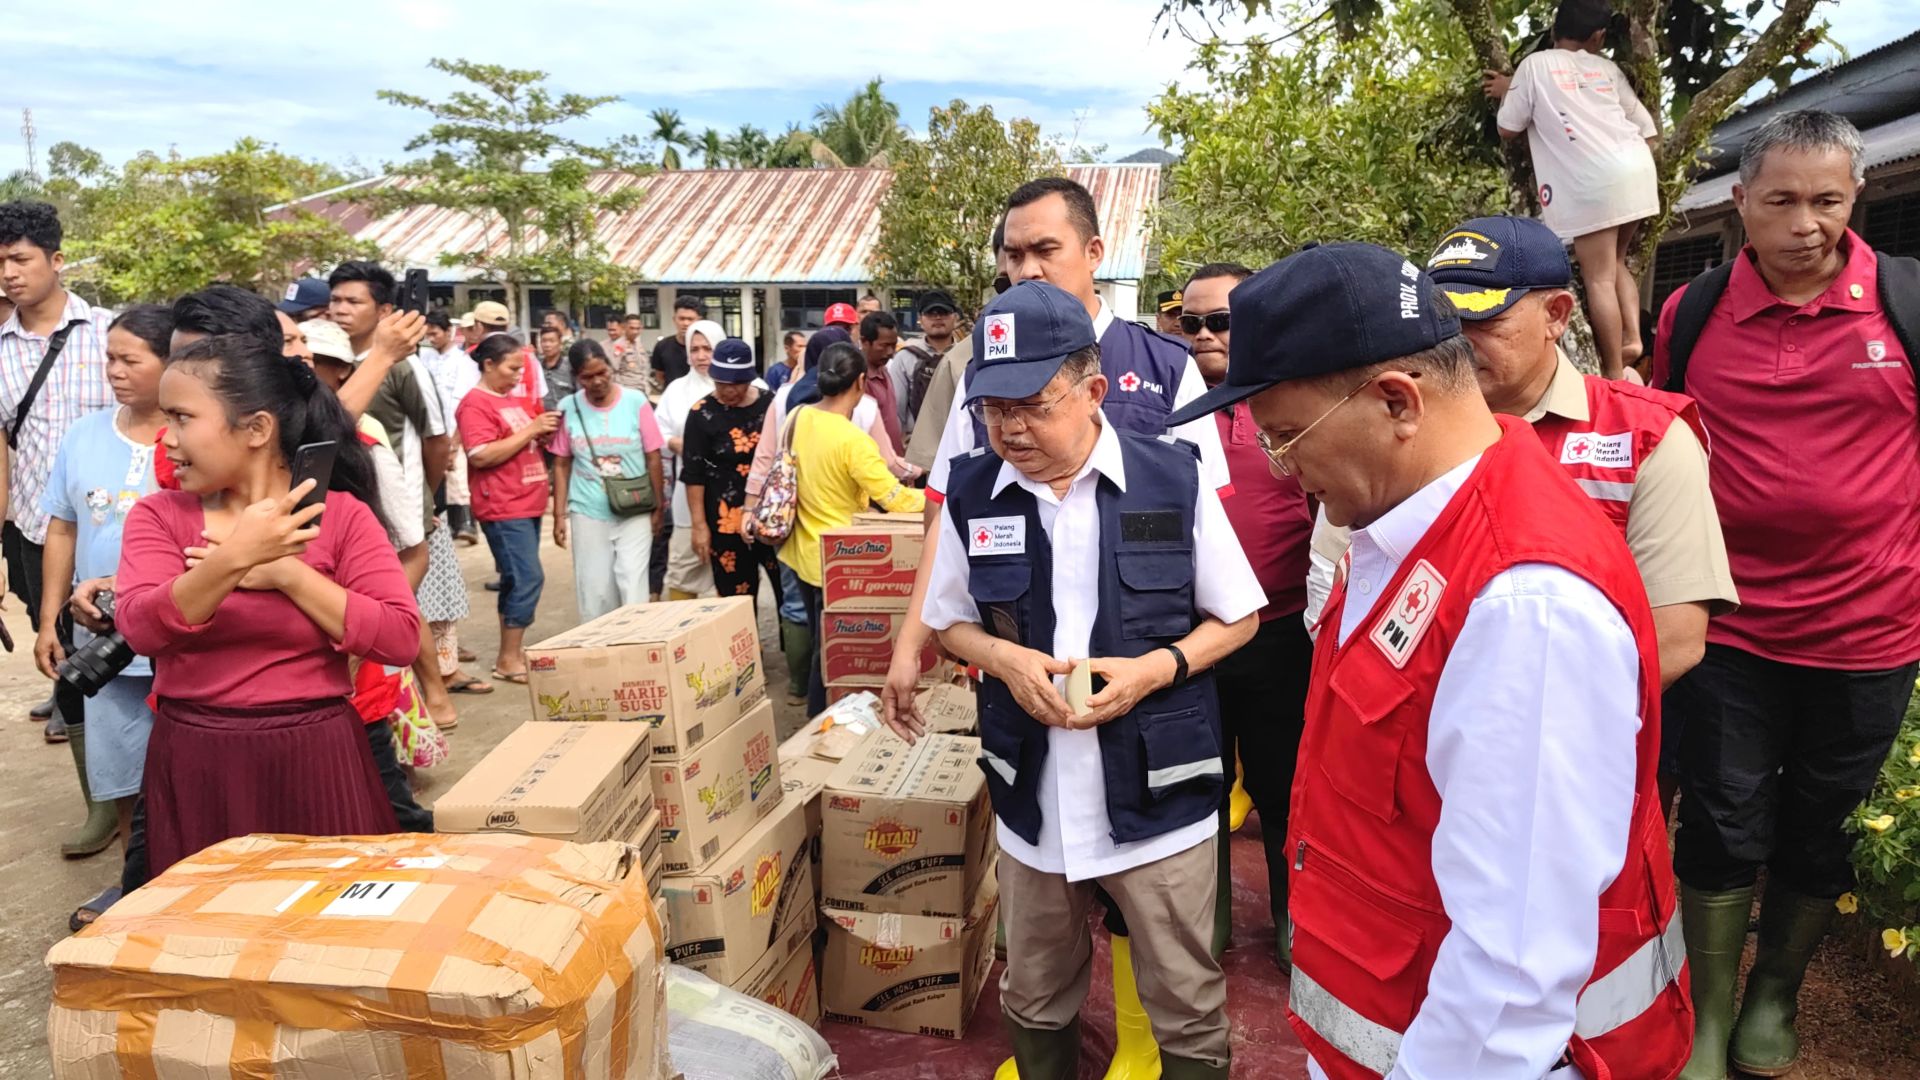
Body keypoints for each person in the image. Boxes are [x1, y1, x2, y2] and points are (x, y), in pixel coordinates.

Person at [1170, 242, 1690, 1079]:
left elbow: (1509, 972)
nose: (1283, 469)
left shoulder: (1524, 605)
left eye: (1287, 436)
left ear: (1396, 401)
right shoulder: (1404, 527)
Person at [921, 281, 1259, 1080]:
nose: (1010, 429)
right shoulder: (973, 492)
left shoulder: (1171, 480)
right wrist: (1004, 659)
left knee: (1186, 998)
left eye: (1032, 406)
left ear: (1094, 390)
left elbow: (1239, 617)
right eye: (993, 409)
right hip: (1033, 796)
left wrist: (1153, 670)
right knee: (1035, 991)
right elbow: (947, 620)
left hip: (1159, 792)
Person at [1650, 110, 1920, 1080]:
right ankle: (1711, 1011)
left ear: (1856, 196)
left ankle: (1776, 993)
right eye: (1783, 201)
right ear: (1741, 202)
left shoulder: (1905, 303)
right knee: (1721, 817)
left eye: (1829, 200)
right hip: (1731, 625)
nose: (1807, 223)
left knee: (1823, 821)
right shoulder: (1691, 313)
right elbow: (1666, 440)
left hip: (1872, 630)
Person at [114, 334, 420, 876]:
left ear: (256, 429)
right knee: (209, 915)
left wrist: (286, 574)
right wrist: (235, 558)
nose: (167, 439)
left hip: (317, 754)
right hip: (198, 759)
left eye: (183, 418)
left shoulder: (342, 516)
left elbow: (399, 637)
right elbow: (141, 629)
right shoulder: (159, 516)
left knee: (323, 909)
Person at [1425, 214, 1738, 691]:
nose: (1458, 340)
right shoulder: (1405, 421)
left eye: (1483, 318)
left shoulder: (1645, 436)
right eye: (1445, 320)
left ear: (1556, 315)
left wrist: (1525, 715)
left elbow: (1672, 638)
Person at [1176, 261, 1316, 969]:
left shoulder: (1299, 406)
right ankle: (1208, 925)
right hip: (1191, 638)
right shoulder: (1169, 415)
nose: (1204, 335)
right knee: (1196, 788)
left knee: (1283, 786)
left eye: (1221, 321)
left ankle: (1296, 923)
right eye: (1191, 322)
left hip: (1281, 632)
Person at [36, 304, 170, 926]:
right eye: (109, 358)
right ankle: (135, 882)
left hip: (176, 637)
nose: (114, 370)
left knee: (182, 769)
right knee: (121, 770)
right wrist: (49, 621)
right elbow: (62, 527)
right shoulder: (84, 436)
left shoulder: (195, 438)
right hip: (102, 641)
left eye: (129, 360)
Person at [296, 319, 442, 827]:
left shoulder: (360, 446)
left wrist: (364, 632)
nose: (300, 361)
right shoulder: (201, 479)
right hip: (285, 712)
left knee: (390, 812)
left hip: (356, 686)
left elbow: (411, 551)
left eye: (309, 354)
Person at [0, 200, 115, 803]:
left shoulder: (110, 335)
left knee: (119, 653)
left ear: (57, 259)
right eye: (0, 262)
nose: (9, 273)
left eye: (20, 259)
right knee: (61, 653)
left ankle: (130, 786)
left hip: (108, 527)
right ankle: (98, 797)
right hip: (33, 529)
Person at [1484, 0, 1659, 379]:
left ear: (1554, 31)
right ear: (1598, 37)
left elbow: (1508, 127)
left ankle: (1612, 370)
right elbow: (1648, 130)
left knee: (1598, 277)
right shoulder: (1607, 69)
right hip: (1637, 170)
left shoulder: (1535, 65)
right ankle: (1632, 337)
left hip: (1593, 182)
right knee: (1616, 262)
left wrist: (1510, 89)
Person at [779, 343, 925, 714]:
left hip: (801, 552)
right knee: (831, 655)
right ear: (861, 382)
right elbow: (894, 498)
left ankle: (817, 714)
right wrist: (939, 497)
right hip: (840, 561)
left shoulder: (798, 416)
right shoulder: (853, 441)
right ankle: (820, 720)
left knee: (819, 641)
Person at [457, 333, 557, 683]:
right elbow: (481, 454)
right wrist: (531, 430)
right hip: (502, 504)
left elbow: (519, 440)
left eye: (521, 369)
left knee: (516, 579)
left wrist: (540, 434)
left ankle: (509, 654)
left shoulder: (512, 400)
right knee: (528, 577)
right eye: (512, 368)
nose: (518, 376)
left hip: (527, 502)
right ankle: (508, 658)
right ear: (489, 364)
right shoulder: (475, 404)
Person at [552, 338, 666, 621]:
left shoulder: (636, 402)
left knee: (633, 586)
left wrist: (658, 507)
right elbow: (562, 464)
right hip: (588, 510)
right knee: (596, 591)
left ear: (610, 366)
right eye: (587, 377)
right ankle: (599, 643)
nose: (597, 381)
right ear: (576, 377)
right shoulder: (569, 407)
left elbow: (653, 457)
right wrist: (558, 515)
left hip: (635, 507)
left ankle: (634, 642)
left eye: (602, 372)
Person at [907, 224, 1010, 474]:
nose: (1029, 271)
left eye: (1045, 251)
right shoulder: (960, 362)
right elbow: (938, 471)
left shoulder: (1100, 347)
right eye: (1006, 284)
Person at [682, 339, 776, 604]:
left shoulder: (771, 405)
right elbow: (694, 473)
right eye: (721, 383)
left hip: (771, 516)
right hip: (725, 521)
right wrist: (699, 525)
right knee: (735, 599)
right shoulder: (701, 414)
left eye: (736, 384)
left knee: (787, 594)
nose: (728, 390)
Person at [655, 319, 726, 600]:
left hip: (731, 494)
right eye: (694, 349)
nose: (701, 356)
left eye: (708, 348)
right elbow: (658, 430)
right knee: (684, 566)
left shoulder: (747, 385)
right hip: (689, 492)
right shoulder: (677, 390)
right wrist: (676, 443)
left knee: (730, 569)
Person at [891, 291, 959, 443]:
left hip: (958, 442)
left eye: (944, 312)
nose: (938, 317)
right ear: (920, 319)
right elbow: (897, 408)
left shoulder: (967, 356)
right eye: (930, 313)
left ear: (955, 317)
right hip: (916, 443)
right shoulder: (905, 357)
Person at [858, 310, 905, 454]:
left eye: (893, 345)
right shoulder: (858, 381)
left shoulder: (885, 370)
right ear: (865, 342)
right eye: (884, 345)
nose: (890, 352)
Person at [651, 295, 705, 388]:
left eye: (690, 319)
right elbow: (659, 376)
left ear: (699, 320)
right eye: (681, 318)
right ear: (674, 319)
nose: (685, 323)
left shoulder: (707, 348)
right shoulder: (662, 346)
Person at [538, 324, 575, 411]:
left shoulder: (570, 366)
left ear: (560, 343)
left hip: (567, 414)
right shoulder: (536, 366)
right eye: (544, 341)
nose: (547, 345)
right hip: (542, 416)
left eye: (552, 341)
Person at [766, 329, 805, 393]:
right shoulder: (775, 371)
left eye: (806, 346)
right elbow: (770, 394)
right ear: (787, 348)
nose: (804, 350)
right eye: (800, 346)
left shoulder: (808, 369)